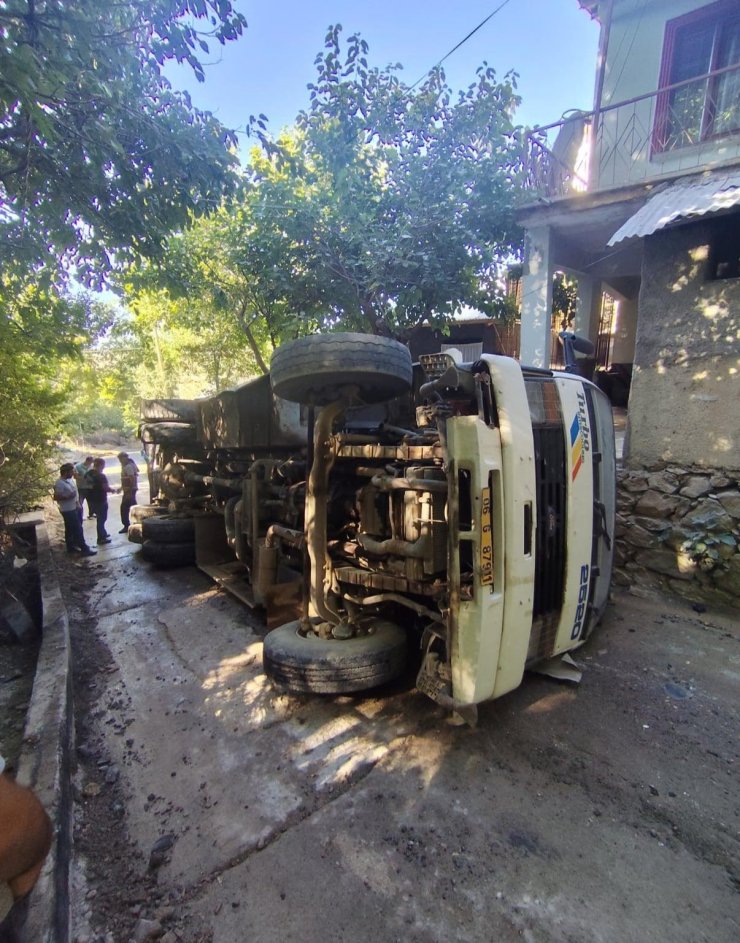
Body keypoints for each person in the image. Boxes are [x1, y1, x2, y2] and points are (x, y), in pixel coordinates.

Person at [52, 464, 96, 556]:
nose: (74, 473)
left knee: (70, 529)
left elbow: (75, 493)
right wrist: (67, 496)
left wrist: (78, 504)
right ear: (66, 472)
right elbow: (56, 497)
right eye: (72, 471)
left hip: (74, 507)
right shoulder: (59, 483)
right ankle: (84, 548)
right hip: (67, 509)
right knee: (78, 529)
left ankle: (71, 547)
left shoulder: (70, 480)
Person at [86, 458, 114, 545]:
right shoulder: (101, 476)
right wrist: (112, 490)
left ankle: (103, 533)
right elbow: (105, 488)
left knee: (99, 518)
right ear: (101, 465)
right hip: (100, 499)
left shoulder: (89, 473)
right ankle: (101, 538)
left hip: (91, 499)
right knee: (102, 519)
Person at [117, 452, 139, 533]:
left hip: (129, 490)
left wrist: (129, 491)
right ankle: (137, 521)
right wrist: (121, 488)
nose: (120, 461)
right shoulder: (130, 465)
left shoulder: (128, 466)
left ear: (125, 458)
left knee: (124, 508)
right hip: (129, 489)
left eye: (120, 459)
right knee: (134, 506)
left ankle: (126, 525)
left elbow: (132, 479)